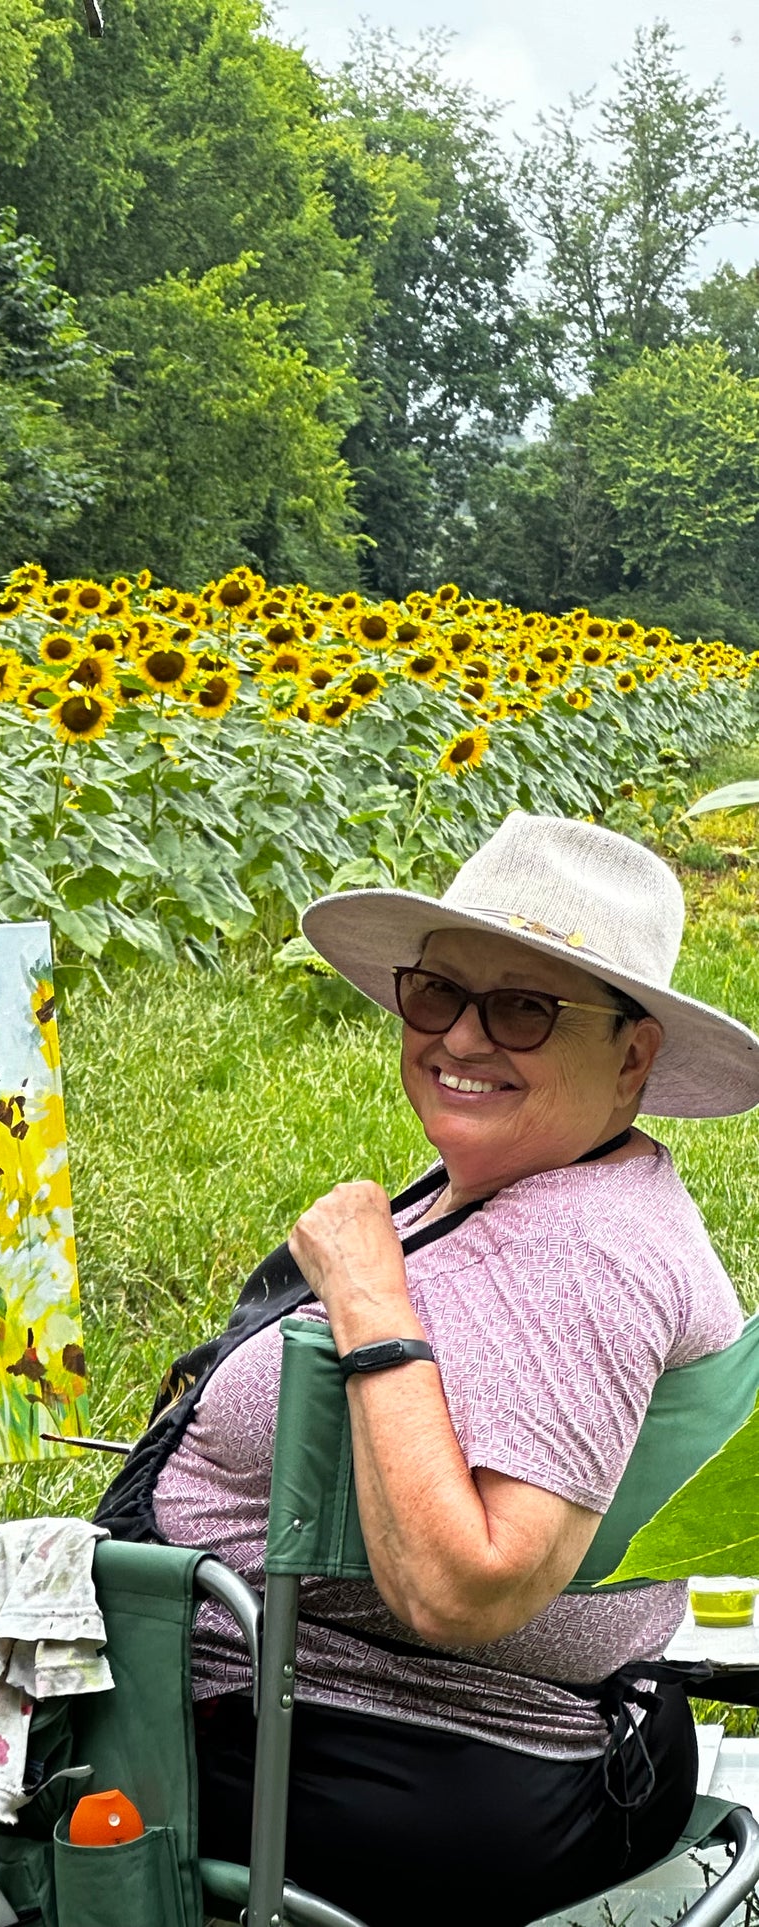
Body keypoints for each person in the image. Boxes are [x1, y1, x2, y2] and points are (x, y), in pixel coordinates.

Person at [144, 810, 759, 1926]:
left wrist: (367, 1295)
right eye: (437, 994)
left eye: (523, 1008)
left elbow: (469, 1584)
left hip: (423, 1757)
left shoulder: (585, 1250)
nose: (461, 1040)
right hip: (448, 1733)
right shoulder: (542, 1183)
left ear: (631, 1054)